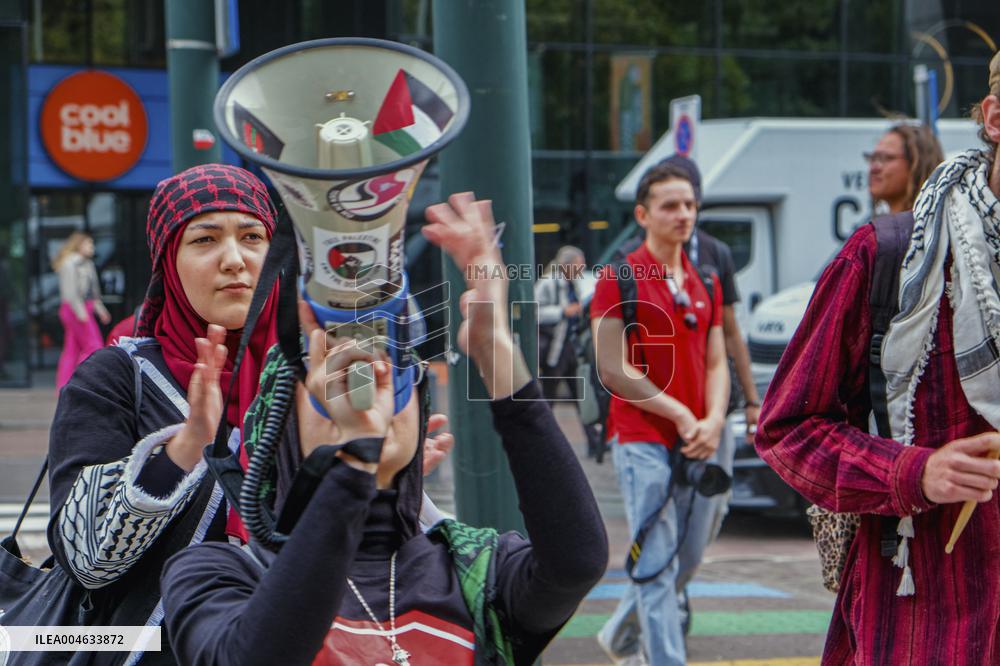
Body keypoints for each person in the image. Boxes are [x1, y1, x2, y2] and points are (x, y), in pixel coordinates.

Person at [159, 193, 609, 665]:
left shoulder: (472, 571)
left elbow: (576, 564)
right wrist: (353, 463)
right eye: (334, 377)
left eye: (390, 374)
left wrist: (493, 346)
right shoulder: (219, 572)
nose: (368, 389)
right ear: (282, 426)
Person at [756, 52, 1000, 664]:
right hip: (928, 616)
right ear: (994, 118)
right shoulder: (885, 255)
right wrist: (913, 473)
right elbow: (788, 431)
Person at [591, 163, 727, 665]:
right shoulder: (619, 277)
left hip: (697, 438)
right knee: (655, 565)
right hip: (643, 438)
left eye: (690, 204)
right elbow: (613, 368)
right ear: (643, 214)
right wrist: (681, 415)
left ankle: (621, 636)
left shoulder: (704, 279)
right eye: (671, 205)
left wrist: (711, 420)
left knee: (685, 559)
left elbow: (717, 360)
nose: (684, 214)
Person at [535, 244, 604, 460]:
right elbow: (533, 311)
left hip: (572, 348)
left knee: (581, 395)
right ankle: (541, 441)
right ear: (567, 265)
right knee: (548, 397)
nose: (582, 267)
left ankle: (594, 443)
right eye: (578, 263)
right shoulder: (548, 283)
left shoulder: (576, 283)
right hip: (554, 350)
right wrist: (562, 311)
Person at [53, 231, 111, 389]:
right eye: (89, 244)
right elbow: (71, 295)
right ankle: (84, 382)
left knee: (72, 349)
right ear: (79, 245)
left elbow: (94, 293)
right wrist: (82, 315)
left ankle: (66, 386)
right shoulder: (69, 264)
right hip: (74, 310)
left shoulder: (88, 264)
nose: (92, 247)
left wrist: (100, 309)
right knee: (94, 346)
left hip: (85, 308)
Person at [867, 122, 944, 215]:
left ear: (916, 164)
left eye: (887, 158)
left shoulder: (932, 227)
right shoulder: (881, 226)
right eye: (873, 158)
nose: (874, 168)